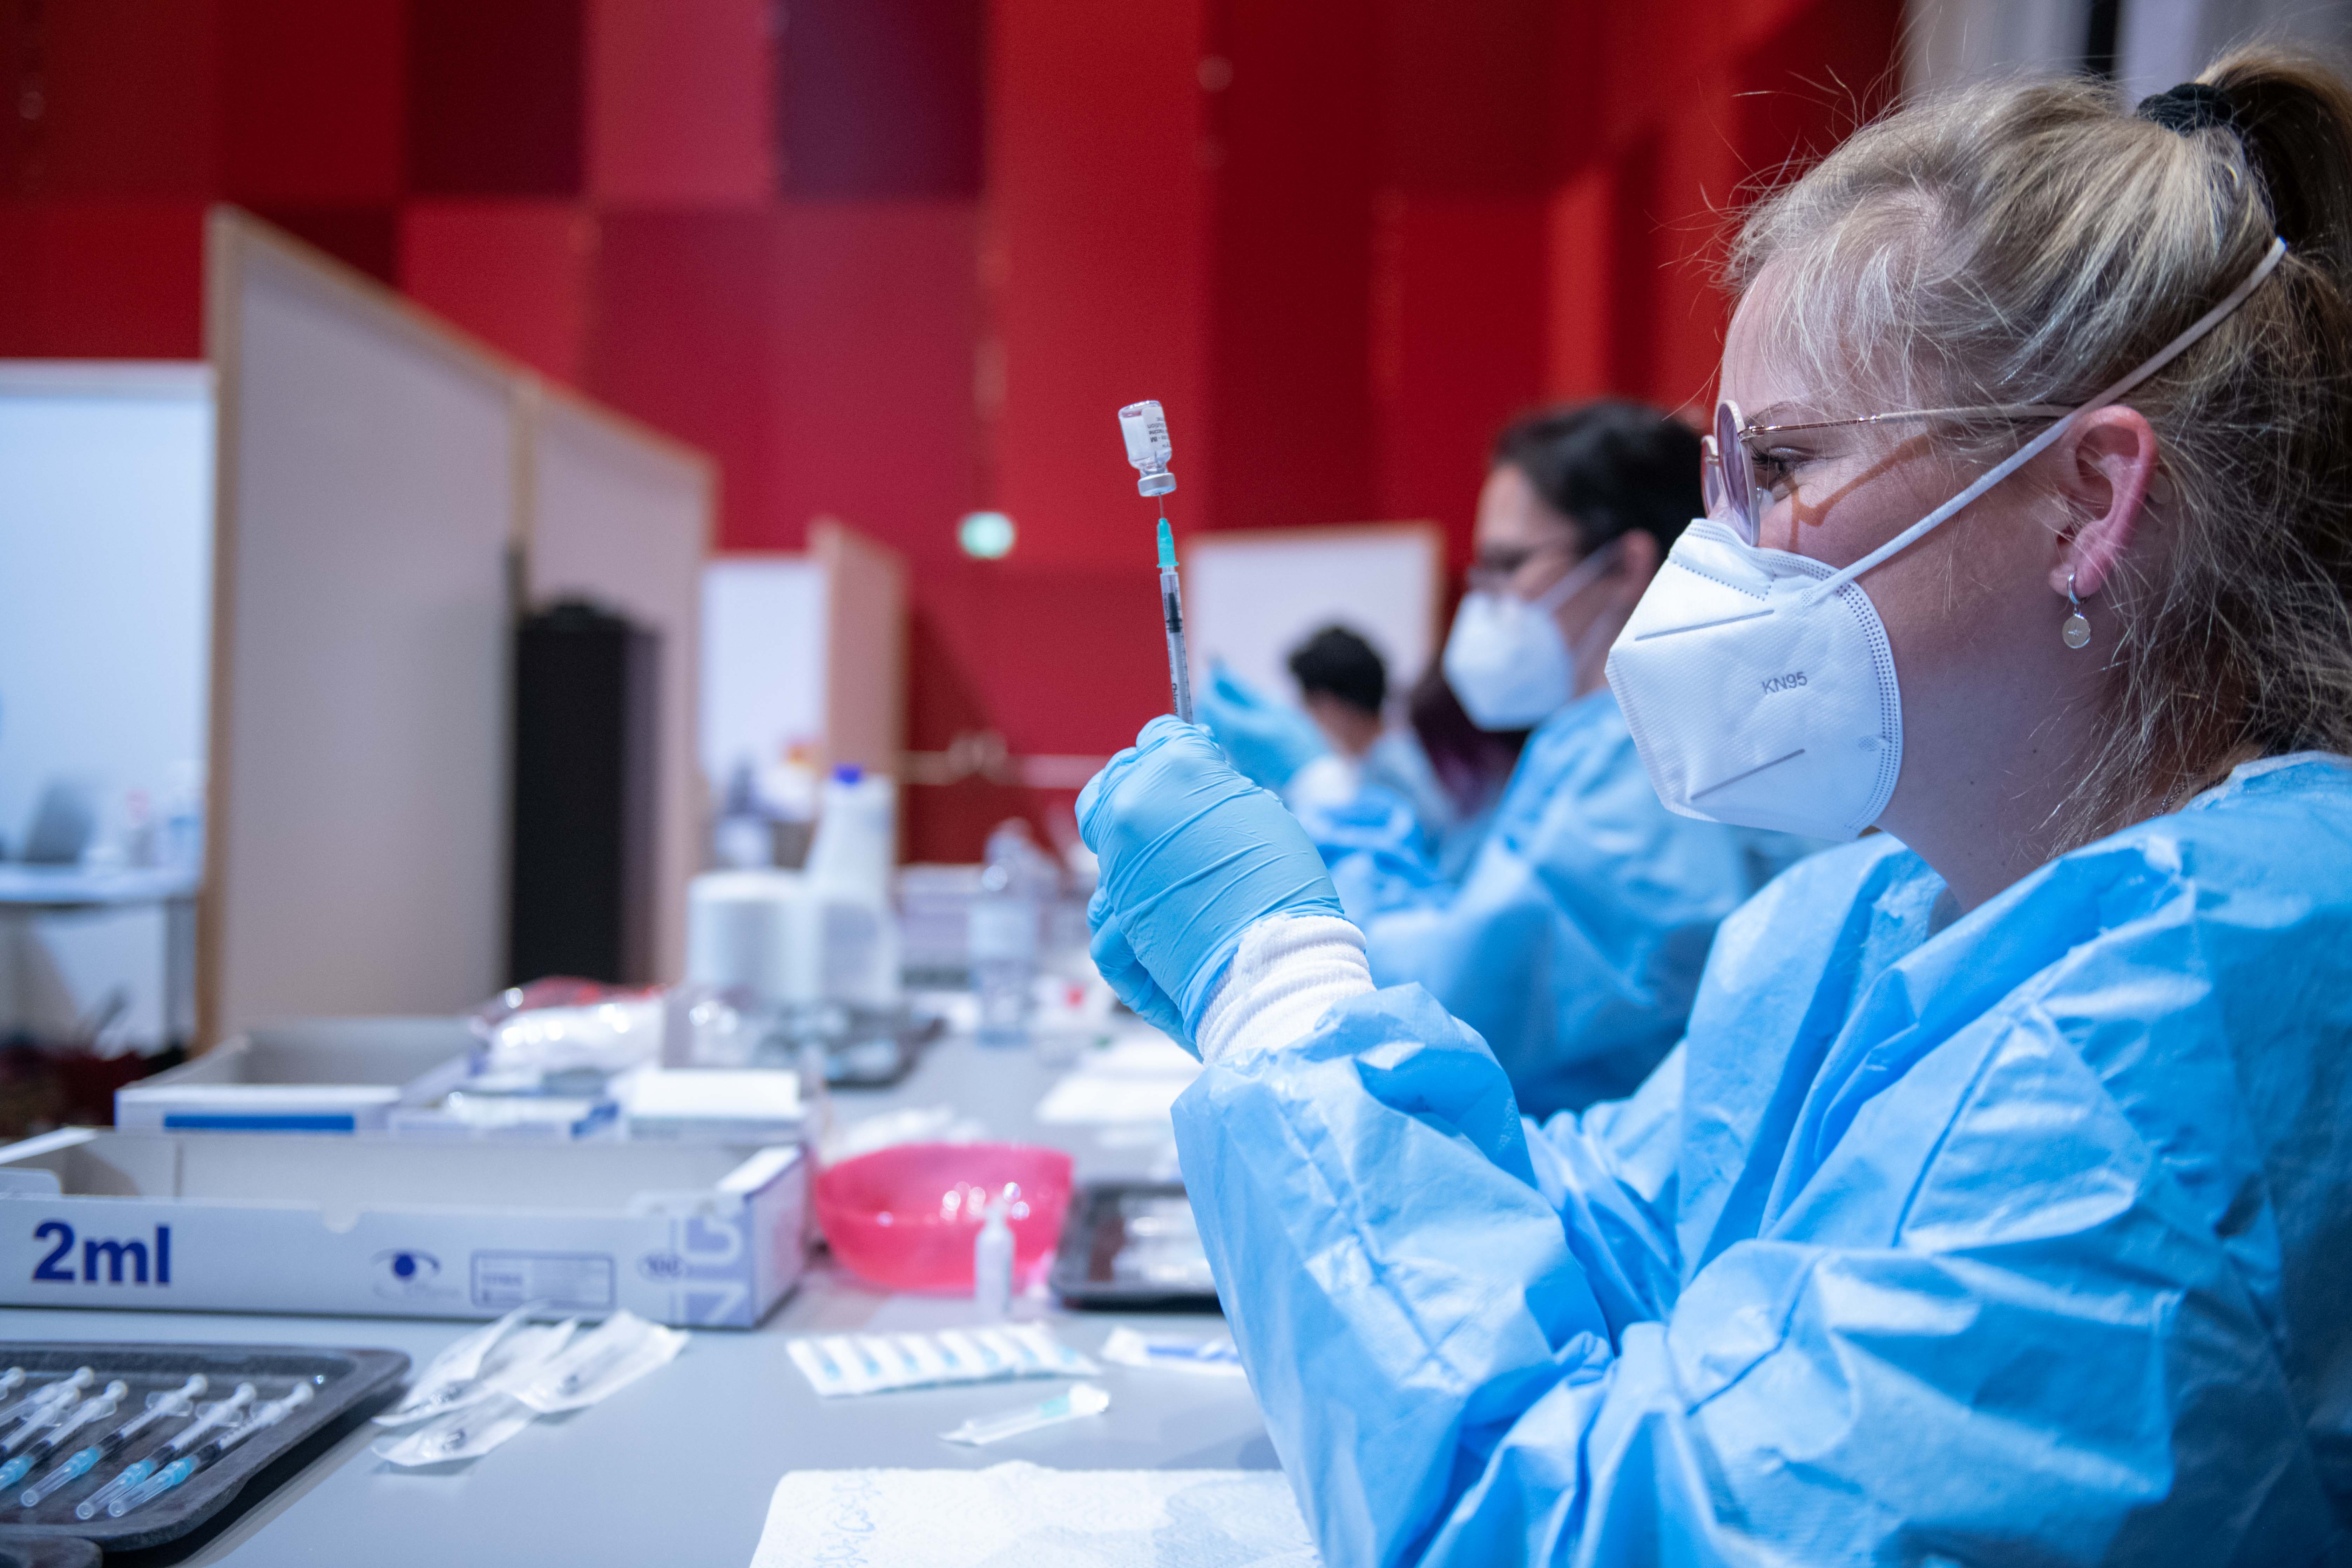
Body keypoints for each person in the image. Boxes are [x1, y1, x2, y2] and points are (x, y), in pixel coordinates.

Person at [1079, 47, 2352, 1564]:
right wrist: (1295, 1045)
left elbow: (1593, 1532)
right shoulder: (1872, 918)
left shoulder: (2193, 1033)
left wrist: (1284, 992)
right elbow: (1600, 1245)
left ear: (2086, 500)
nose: (1719, 552)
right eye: (1720, 479)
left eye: (1784, 465)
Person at [1217, 401, 1824, 1115]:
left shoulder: (1652, 767)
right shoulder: (1596, 742)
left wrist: (1323, 813)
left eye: (1510, 564)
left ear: (1625, 566)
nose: (1487, 599)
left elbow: (1449, 997)